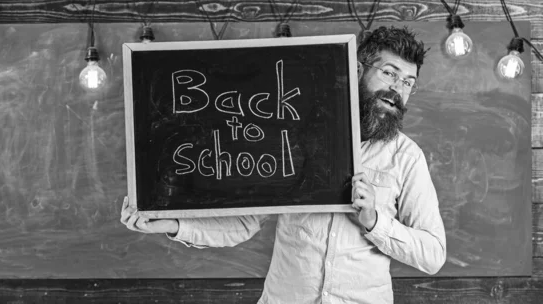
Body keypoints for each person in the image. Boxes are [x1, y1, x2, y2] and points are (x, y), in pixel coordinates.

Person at [120, 26, 446, 304]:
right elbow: (244, 223)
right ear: (358, 69)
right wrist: (171, 224)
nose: (397, 90)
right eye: (389, 73)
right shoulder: (296, 137)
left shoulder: (407, 157)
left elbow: (432, 255)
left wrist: (375, 222)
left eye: (408, 82)